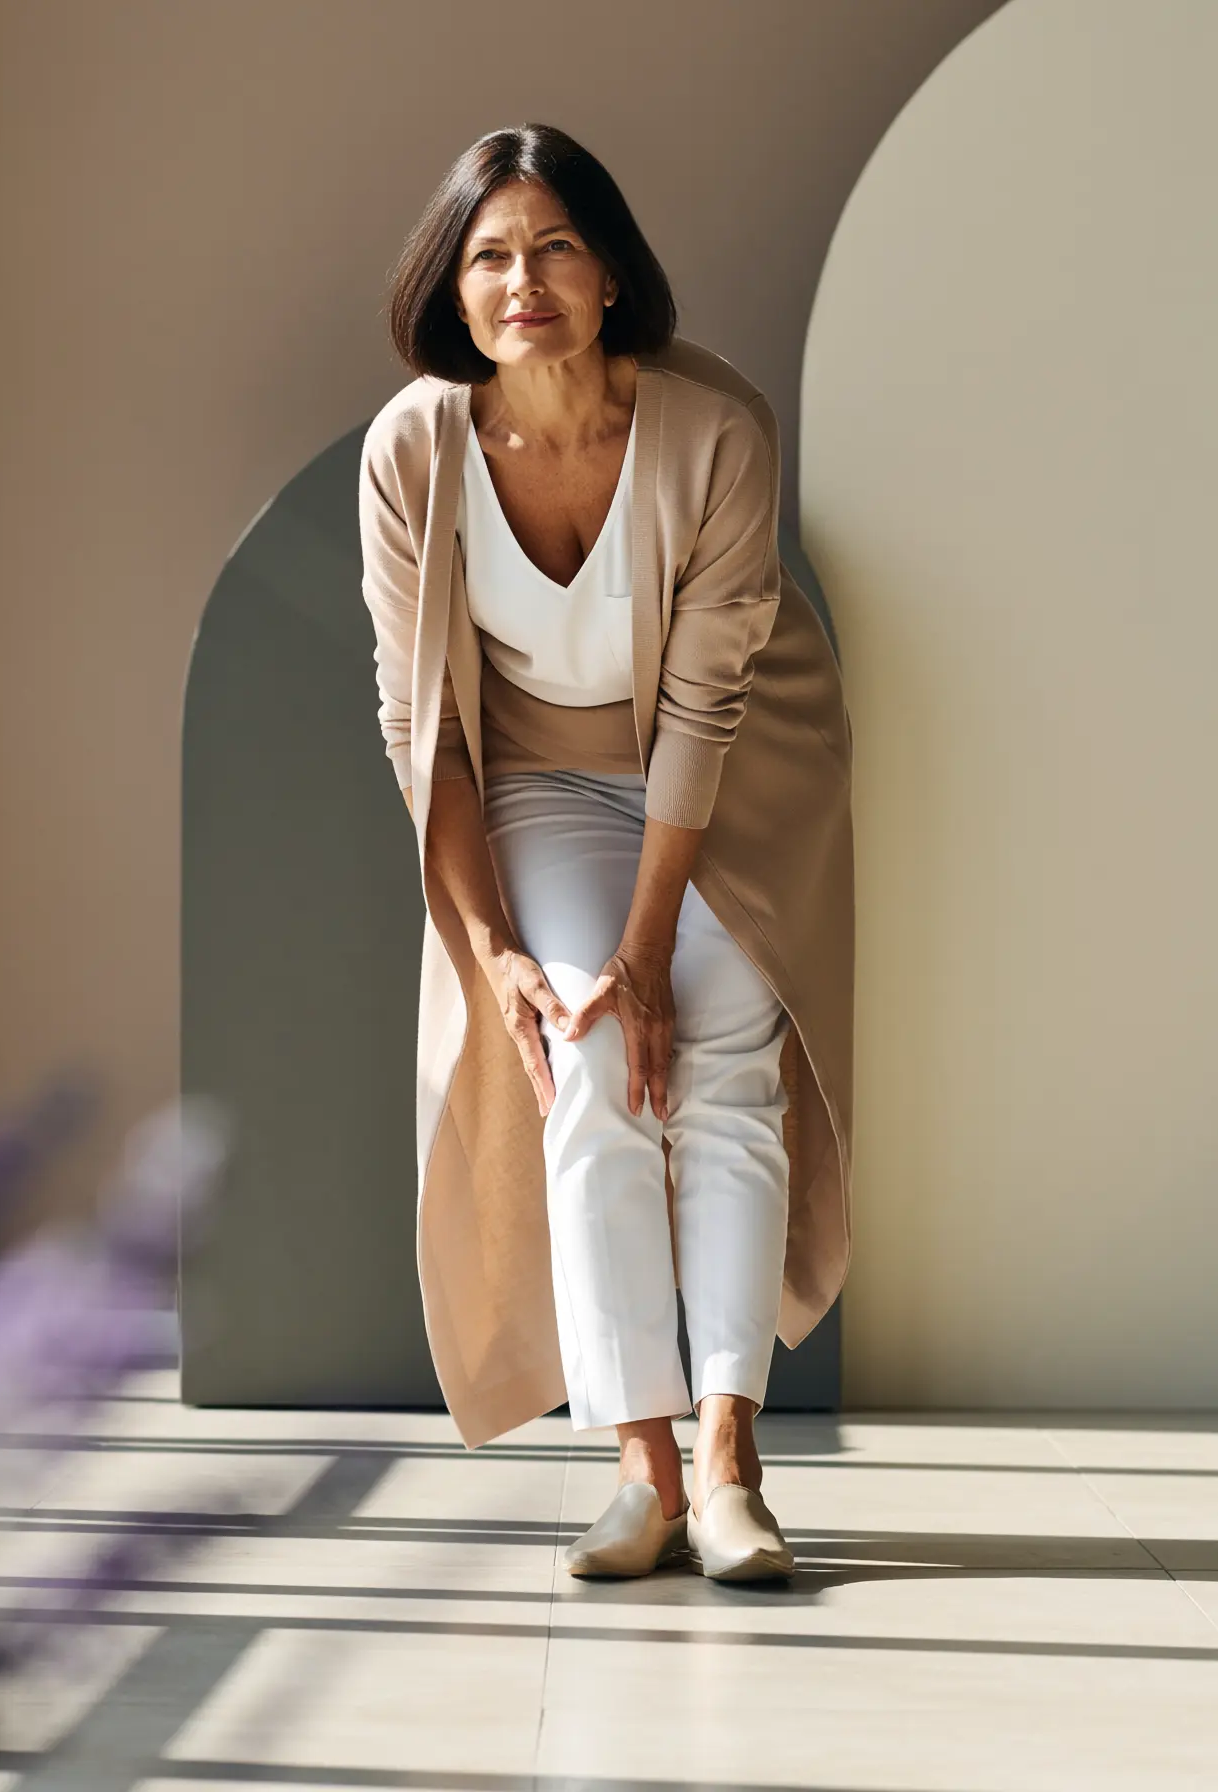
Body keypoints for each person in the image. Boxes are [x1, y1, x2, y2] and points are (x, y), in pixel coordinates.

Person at [358, 122, 856, 1582]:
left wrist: (648, 950)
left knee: (715, 1049)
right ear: (453, 293)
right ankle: (640, 1470)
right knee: (582, 1059)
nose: (526, 281)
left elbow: (707, 710)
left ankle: (730, 1462)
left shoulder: (716, 430)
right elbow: (424, 727)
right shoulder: (415, 452)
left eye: (556, 247)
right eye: (492, 256)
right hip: (543, 785)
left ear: (612, 276)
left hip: (735, 782)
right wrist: (495, 950)